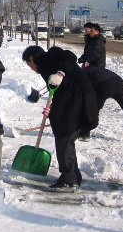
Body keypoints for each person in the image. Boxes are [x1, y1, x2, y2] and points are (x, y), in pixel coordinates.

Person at [22, 45, 99, 189]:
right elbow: (56, 91)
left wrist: (61, 73)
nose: (31, 68)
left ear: (32, 58)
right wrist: (51, 109)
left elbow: (70, 56)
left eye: (29, 64)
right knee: (66, 139)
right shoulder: (46, 65)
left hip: (78, 101)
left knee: (64, 138)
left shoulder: (51, 56)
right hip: (74, 101)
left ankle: (70, 180)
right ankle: (73, 176)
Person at [80, 66, 123, 144]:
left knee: (91, 108)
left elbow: (84, 92)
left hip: (103, 84)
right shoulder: (91, 70)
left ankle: (84, 134)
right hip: (118, 82)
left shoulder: (81, 75)